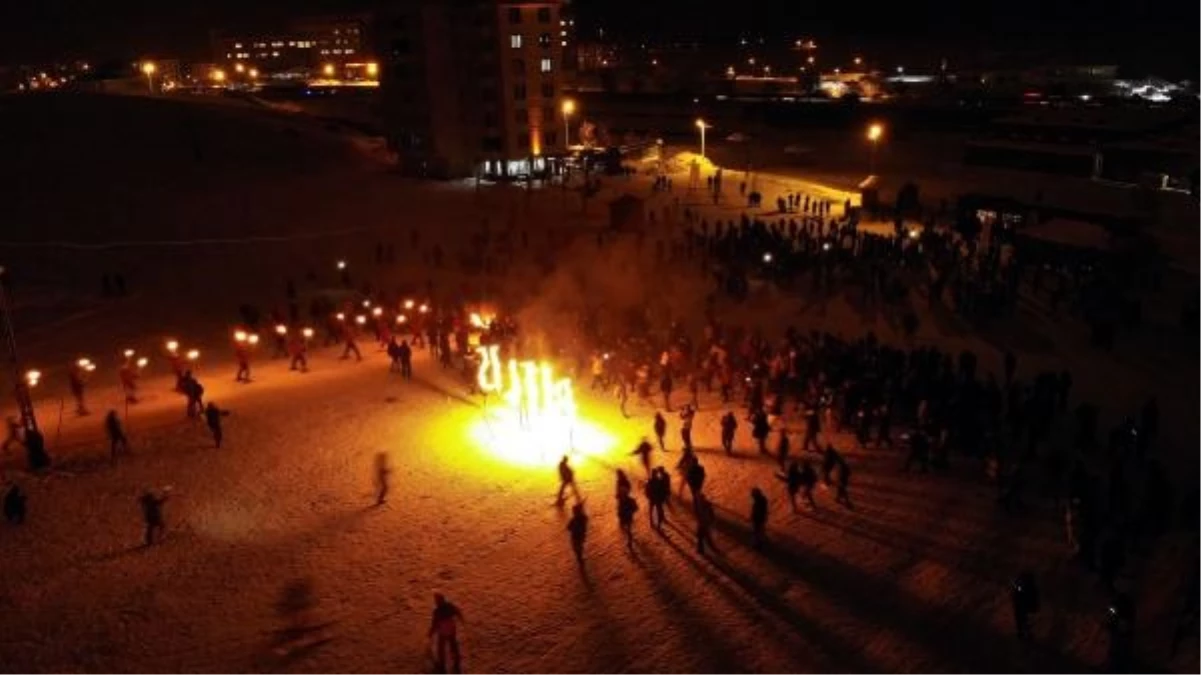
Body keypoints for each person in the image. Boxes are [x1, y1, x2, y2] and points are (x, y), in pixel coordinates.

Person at [428, 593, 464, 675]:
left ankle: (442, 665)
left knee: (441, 647)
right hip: (451, 628)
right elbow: (457, 611)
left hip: (443, 631)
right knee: (453, 643)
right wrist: (461, 619)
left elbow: (434, 624)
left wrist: (431, 633)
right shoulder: (449, 606)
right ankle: (456, 658)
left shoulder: (437, 611)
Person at [1011, 571, 1039, 640]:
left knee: (1024, 620)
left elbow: (1019, 592)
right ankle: (1024, 634)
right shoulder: (1028, 586)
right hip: (1023, 606)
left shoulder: (1026, 586)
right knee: (1023, 621)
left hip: (1023, 606)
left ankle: (1025, 634)